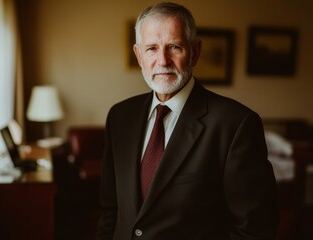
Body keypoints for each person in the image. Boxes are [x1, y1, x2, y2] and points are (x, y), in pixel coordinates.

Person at [98, 2, 278, 240]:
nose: (163, 61)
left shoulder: (236, 124)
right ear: (139, 55)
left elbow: (255, 230)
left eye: (174, 47)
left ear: (195, 51)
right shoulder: (120, 117)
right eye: (151, 48)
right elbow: (109, 210)